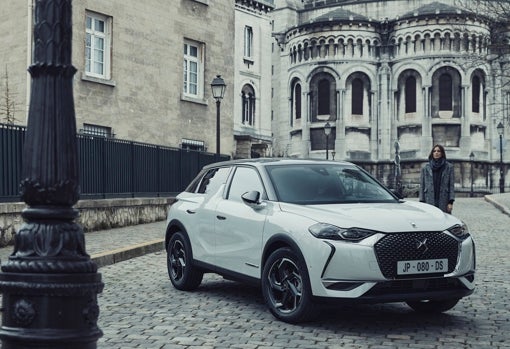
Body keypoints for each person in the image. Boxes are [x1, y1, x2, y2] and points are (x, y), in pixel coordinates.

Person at [419, 144, 455, 213]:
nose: (436, 153)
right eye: (434, 151)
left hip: (443, 199)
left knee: (444, 220)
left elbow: (451, 186)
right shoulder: (425, 167)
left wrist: (451, 202)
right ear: (432, 153)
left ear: (442, 153)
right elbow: (422, 186)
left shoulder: (449, 167)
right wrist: (421, 201)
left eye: (438, 151)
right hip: (429, 199)